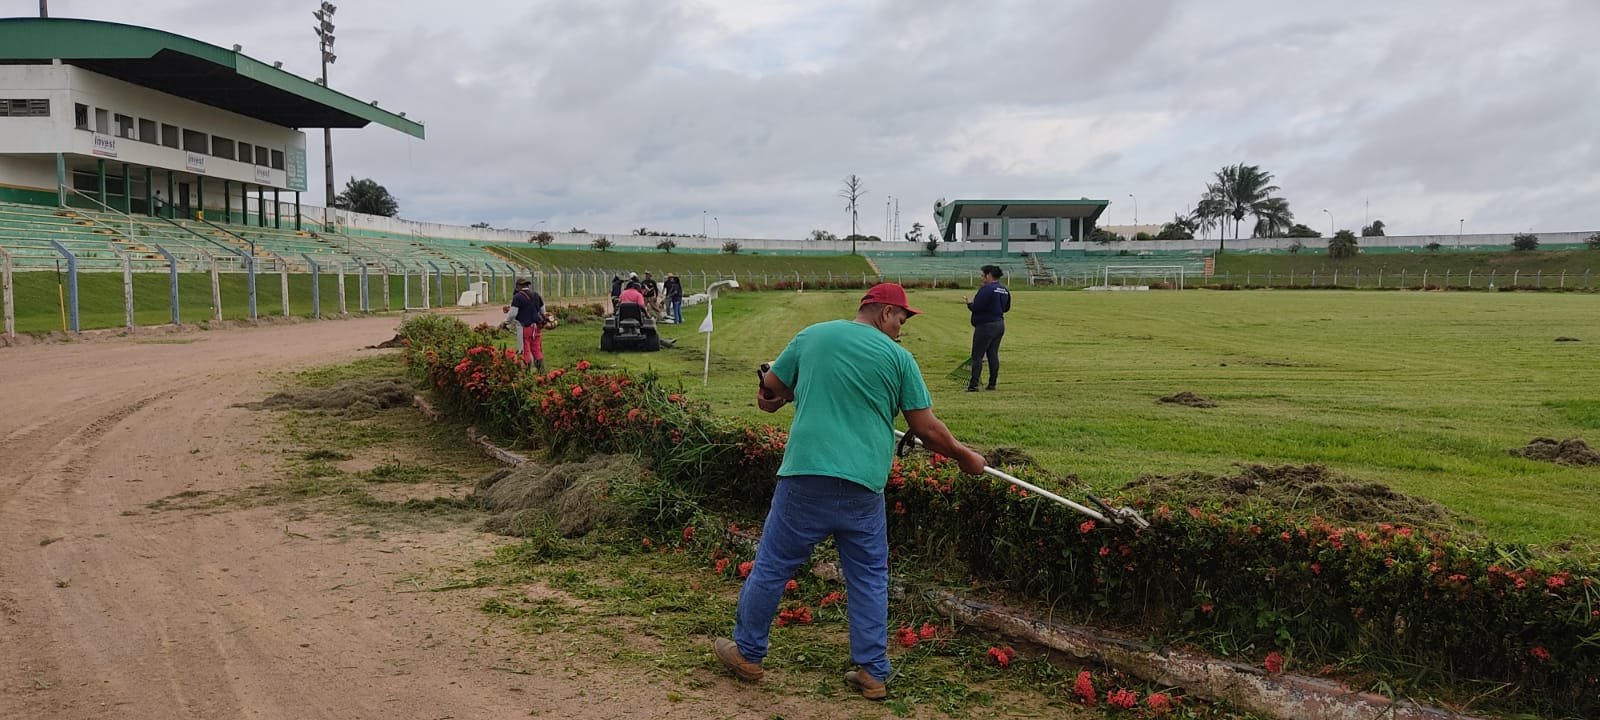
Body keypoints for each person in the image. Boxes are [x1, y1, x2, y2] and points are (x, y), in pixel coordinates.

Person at [714, 283, 986, 701]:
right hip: (862, 486)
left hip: (805, 477)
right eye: (901, 318)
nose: (902, 327)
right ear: (882, 312)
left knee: (772, 565)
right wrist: (965, 457)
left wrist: (778, 394)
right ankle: (873, 672)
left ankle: (748, 654)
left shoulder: (812, 336)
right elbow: (926, 429)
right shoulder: (899, 360)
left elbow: (771, 388)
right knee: (869, 578)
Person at [963, 265, 1011, 392]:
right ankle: (992, 383)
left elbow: (977, 307)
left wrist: (969, 304)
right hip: (999, 324)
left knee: (977, 356)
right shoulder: (1004, 289)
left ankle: (973, 385)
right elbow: (1006, 308)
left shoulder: (986, 289)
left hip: (986, 325)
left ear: (989, 275)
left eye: (983, 275)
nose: (982, 278)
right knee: (993, 354)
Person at [501, 279, 549, 372]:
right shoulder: (536, 295)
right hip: (537, 328)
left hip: (524, 328)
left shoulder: (518, 297)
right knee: (537, 350)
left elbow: (513, 314)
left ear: (518, 286)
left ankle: (526, 373)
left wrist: (505, 323)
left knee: (524, 351)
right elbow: (543, 310)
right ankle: (541, 372)